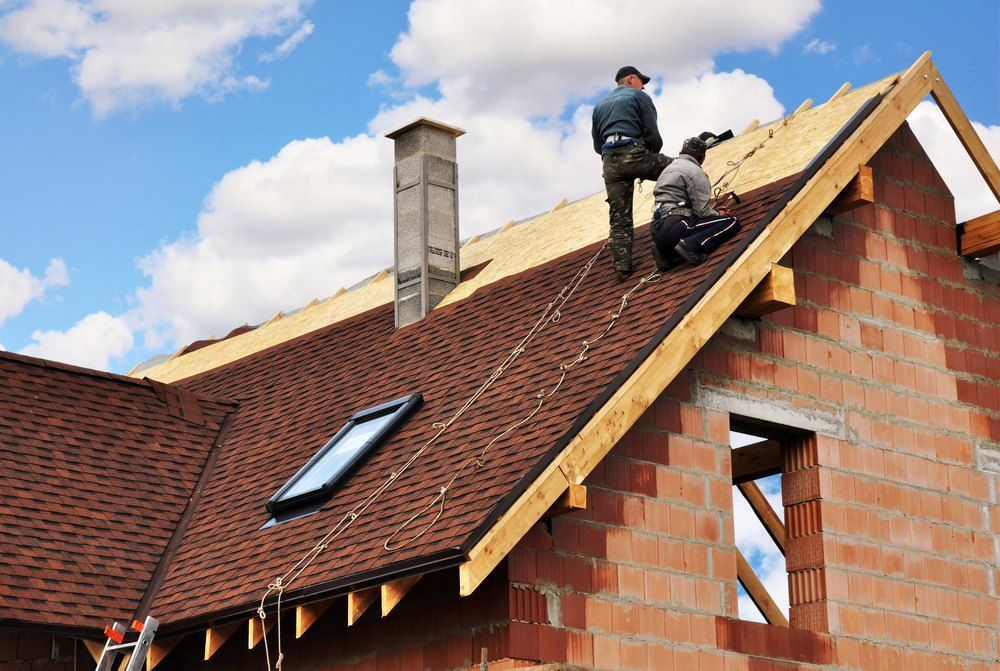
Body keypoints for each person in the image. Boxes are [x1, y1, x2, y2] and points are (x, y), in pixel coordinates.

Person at [592, 66, 672, 280]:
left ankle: (622, 267)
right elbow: (652, 133)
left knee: (619, 217)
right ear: (631, 79)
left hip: (610, 163)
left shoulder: (600, 106)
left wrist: (614, 156)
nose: (643, 86)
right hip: (633, 152)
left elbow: (597, 144)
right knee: (678, 168)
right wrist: (649, 158)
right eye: (641, 81)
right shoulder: (638, 97)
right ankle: (691, 216)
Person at [649, 136, 741, 271]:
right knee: (731, 221)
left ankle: (667, 254)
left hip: (658, 231)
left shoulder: (667, 170)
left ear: (681, 153)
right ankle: (691, 245)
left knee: (694, 227)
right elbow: (702, 212)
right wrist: (717, 214)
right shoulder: (696, 173)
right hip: (677, 224)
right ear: (702, 158)